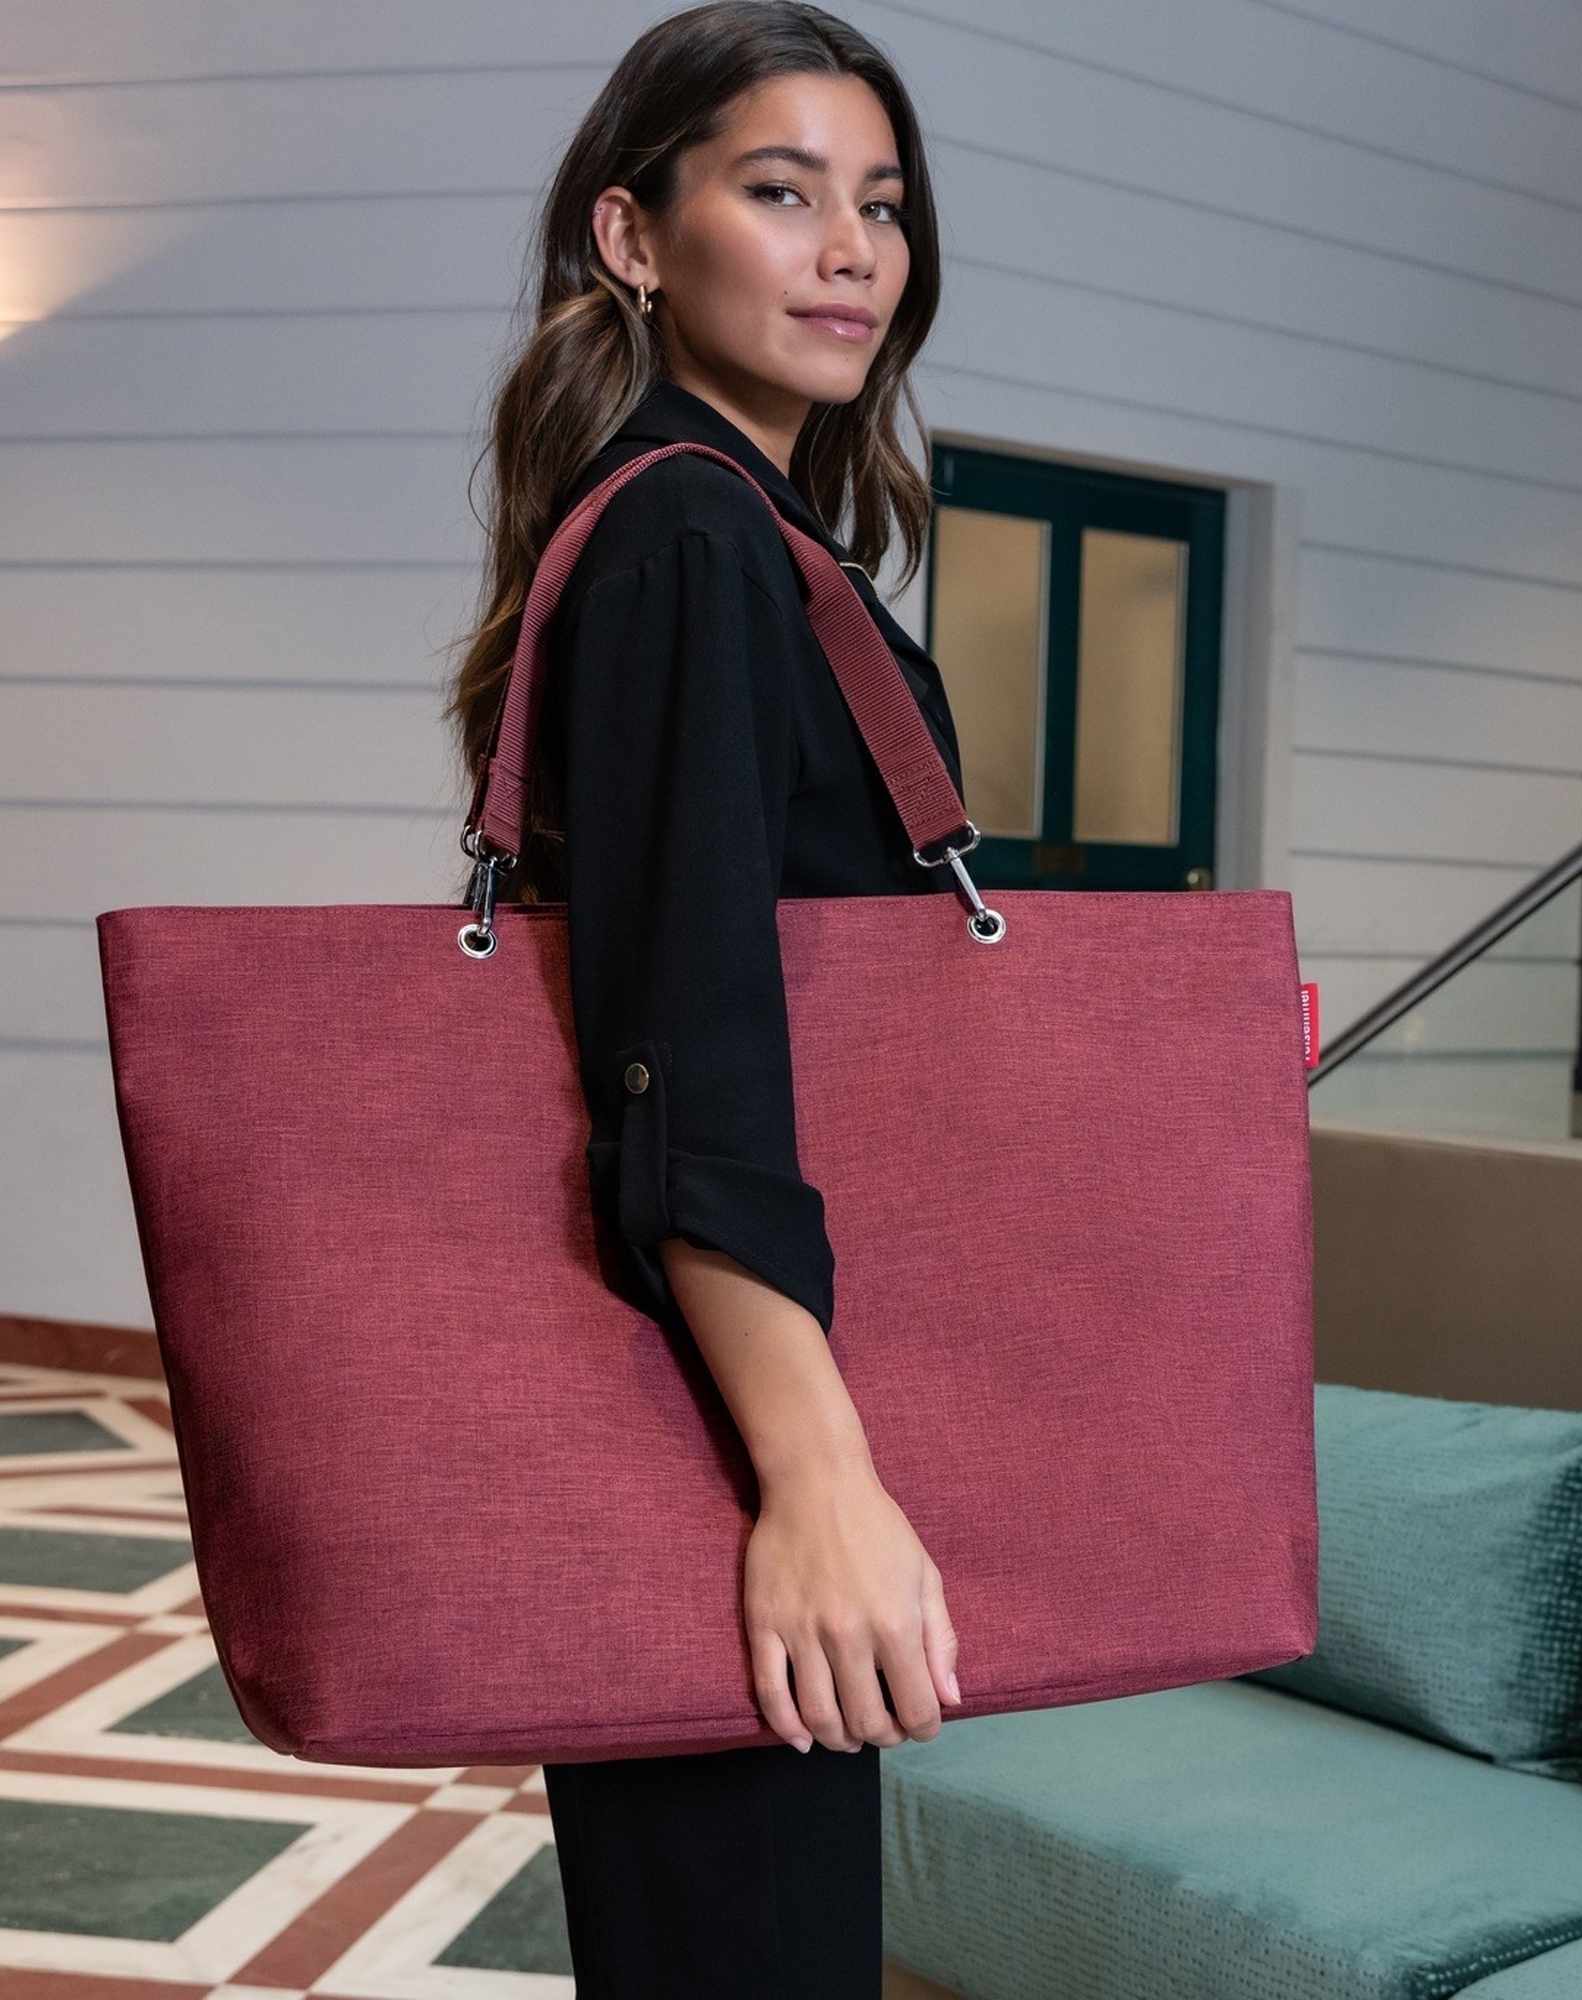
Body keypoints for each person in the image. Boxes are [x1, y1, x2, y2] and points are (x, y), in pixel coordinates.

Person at [446, 6, 964, 1990]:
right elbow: (688, 1048)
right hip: (729, 1409)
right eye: (780, 190)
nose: (850, 248)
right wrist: (813, 1478)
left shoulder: (738, 529)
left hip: (729, 1374)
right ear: (633, 239)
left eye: (882, 204)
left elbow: (819, 976)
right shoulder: (688, 533)